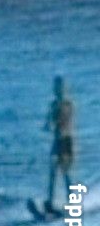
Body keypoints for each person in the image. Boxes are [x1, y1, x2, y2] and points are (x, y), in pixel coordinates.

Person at [44, 75, 75, 210]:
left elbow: (65, 120)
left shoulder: (67, 104)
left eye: (59, 87)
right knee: (53, 172)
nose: (56, 90)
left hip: (65, 141)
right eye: (55, 87)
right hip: (57, 141)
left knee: (65, 172)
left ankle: (72, 201)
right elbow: (48, 122)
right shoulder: (53, 105)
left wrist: (54, 122)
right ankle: (50, 202)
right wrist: (47, 125)